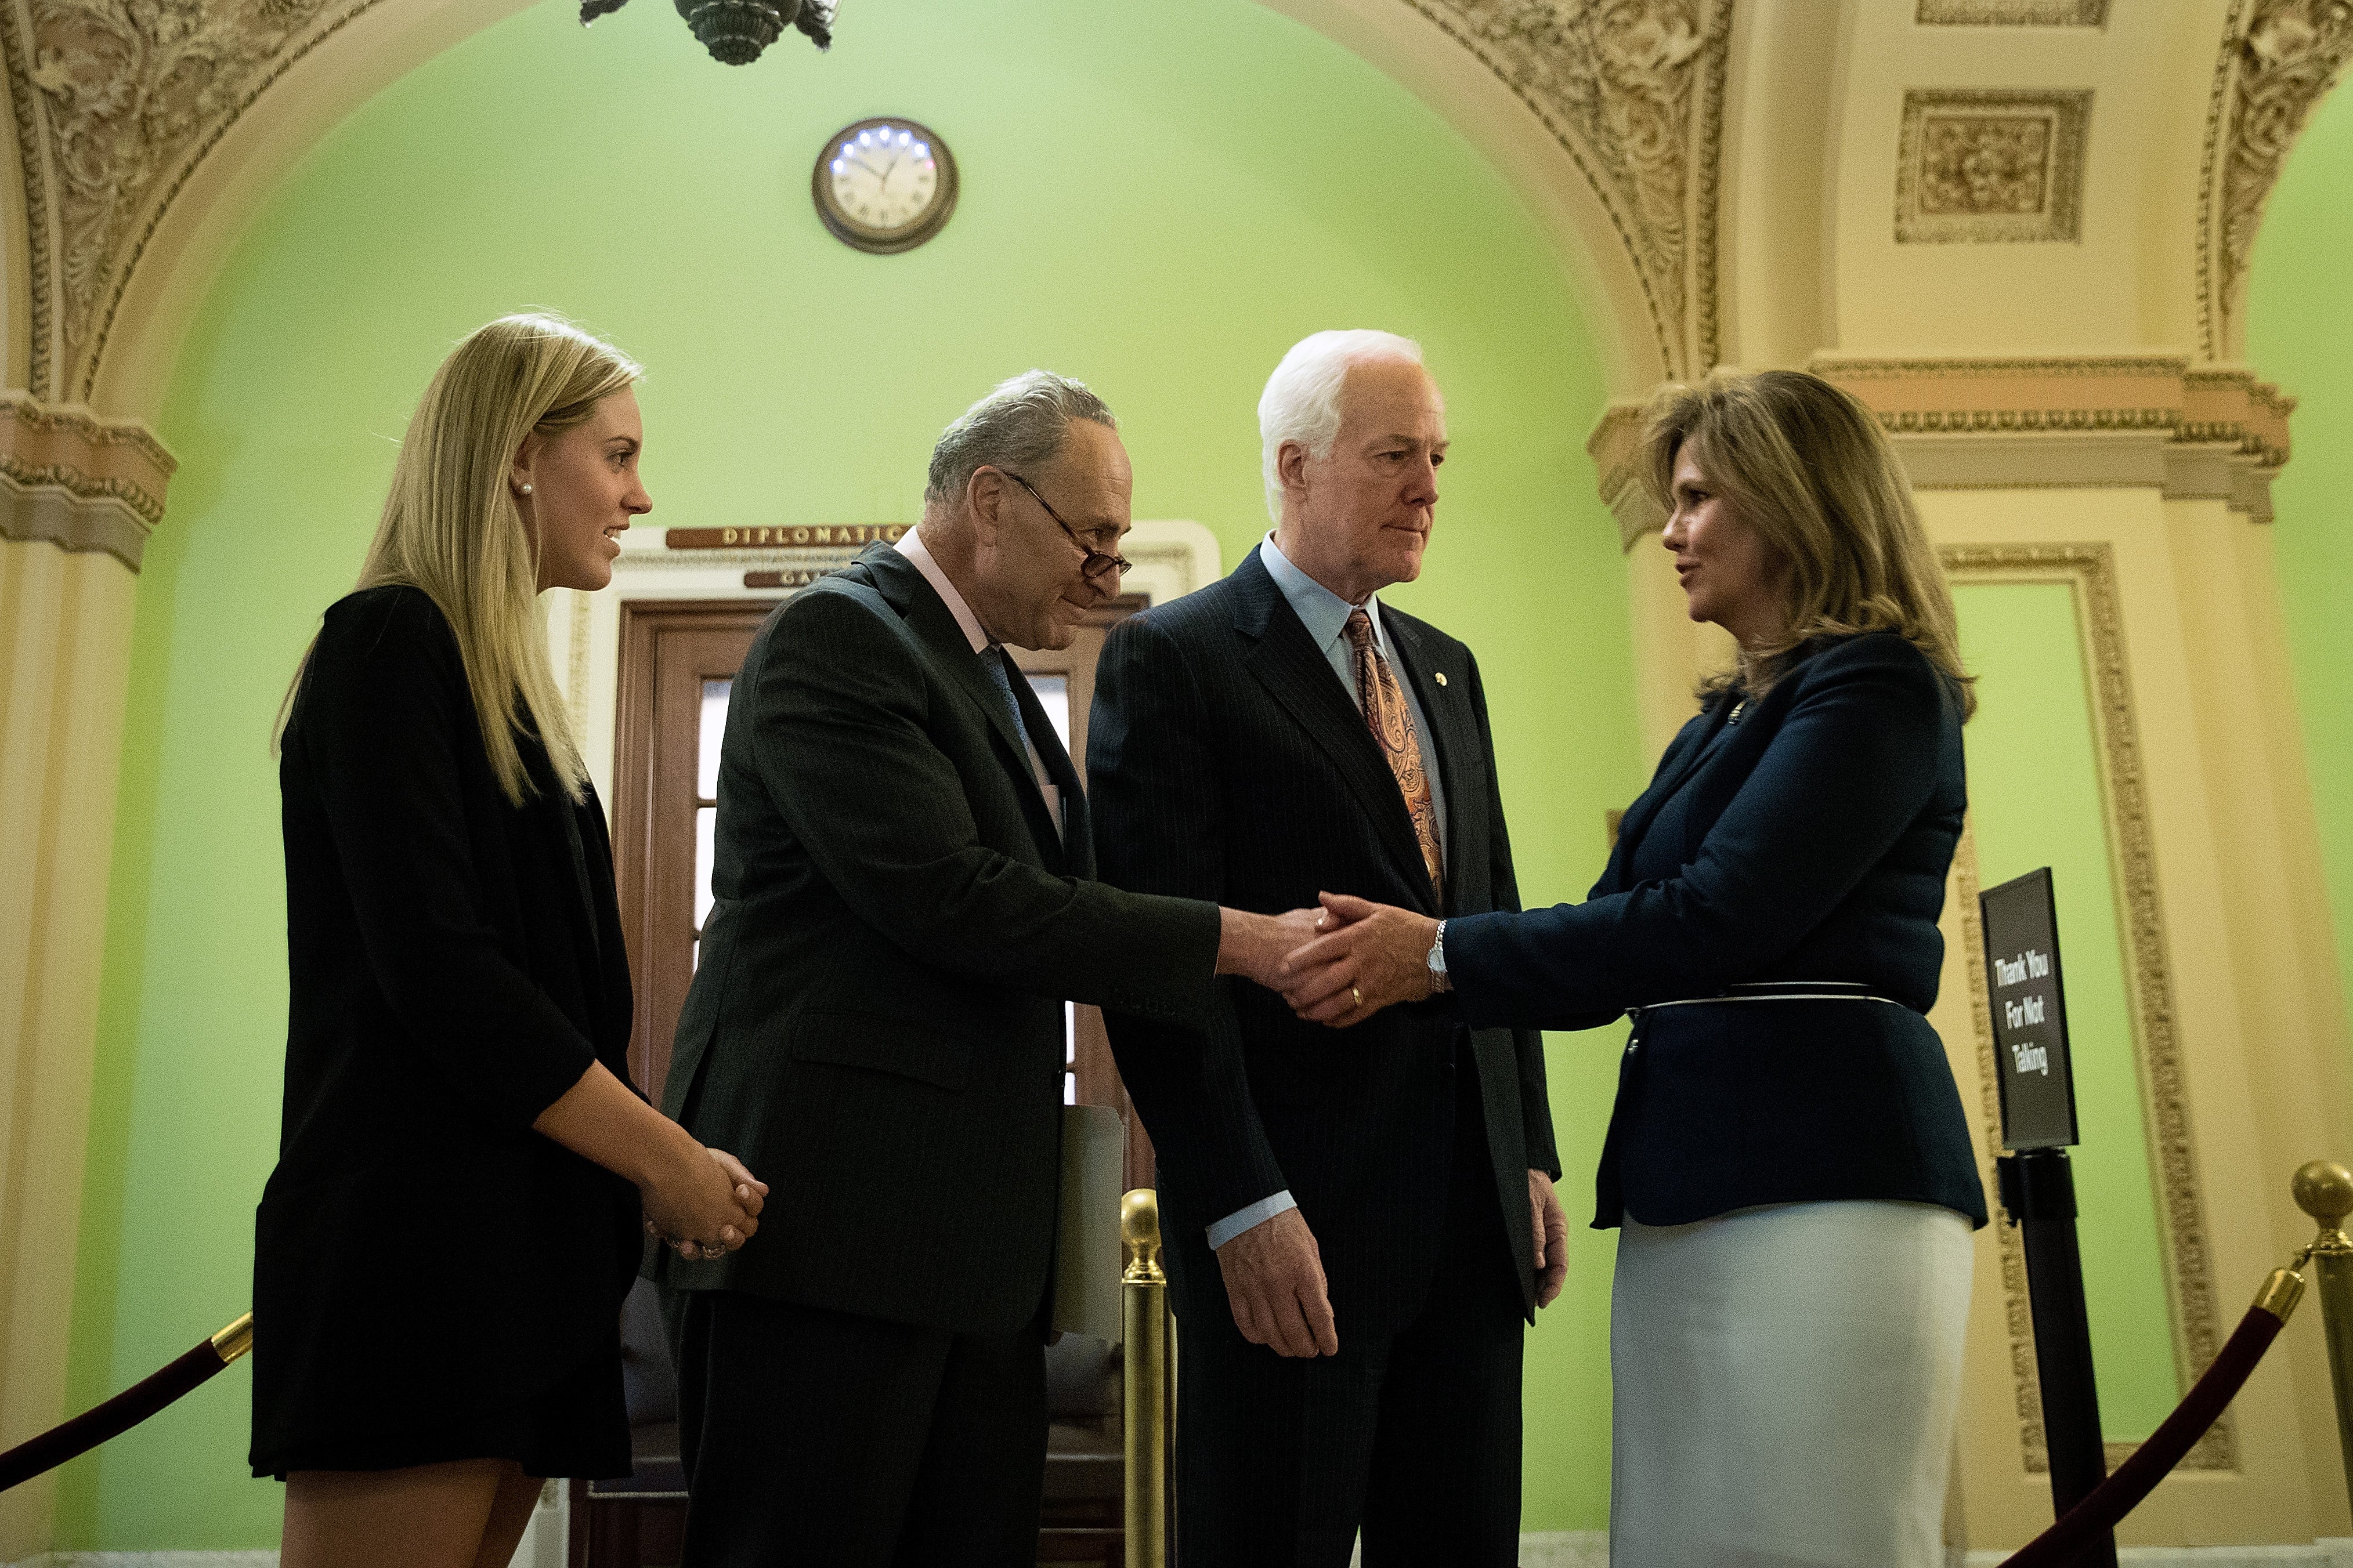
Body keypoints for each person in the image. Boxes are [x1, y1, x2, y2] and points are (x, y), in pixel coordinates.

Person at [1282, 367, 1989, 1567]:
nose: (1671, 527)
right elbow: (1615, 933)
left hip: (1825, 1175)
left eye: (1702, 496)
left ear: (1796, 501)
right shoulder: (1721, 720)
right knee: (1686, 1537)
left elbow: (1713, 918)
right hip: (1690, 1178)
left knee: (1820, 1533)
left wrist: (1438, 953)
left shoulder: (1876, 685)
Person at [649, 370, 1318, 1567]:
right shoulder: (838, 636)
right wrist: (1237, 937)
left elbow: (1066, 897)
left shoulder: (993, 672)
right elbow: (954, 899)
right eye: (1093, 536)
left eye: (1120, 544)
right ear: (993, 499)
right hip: (827, 1243)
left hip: (963, 1258)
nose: (1106, 574)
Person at [255, 314, 767, 1568]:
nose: (640, 495)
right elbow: (447, 976)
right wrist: (666, 1157)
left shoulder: (511, 700)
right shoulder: (388, 644)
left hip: (506, 1257)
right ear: (520, 457)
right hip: (410, 1255)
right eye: (618, 454)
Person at [1086, 330, 1564, 1565]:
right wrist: (1241, 1200)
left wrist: (1529, 1149)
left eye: (1438, 457)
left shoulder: (1446, 671)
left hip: (1470, 1225)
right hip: (1294, 1231)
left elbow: (1488, 919)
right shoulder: (1176, 658)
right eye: (1397, 454)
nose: (1430, 488)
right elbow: (1157, 964)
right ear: (1295, 467)